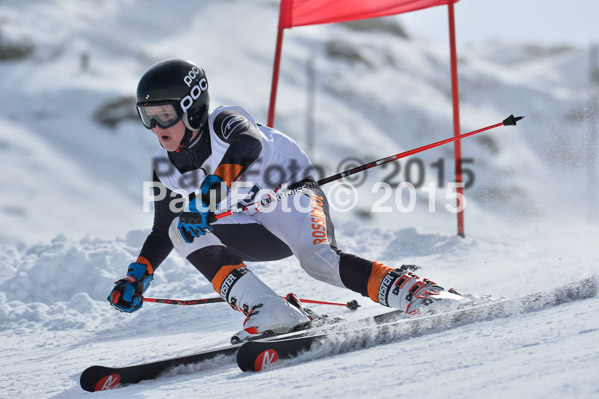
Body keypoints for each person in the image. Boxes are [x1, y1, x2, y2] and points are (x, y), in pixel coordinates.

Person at [108, 58, 467, 341]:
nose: (157, 128)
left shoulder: (224, 122)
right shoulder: (164, 167)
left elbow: (248, 145)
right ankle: (269, 310)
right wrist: (138, 275)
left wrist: (205, 200)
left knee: (319, 262)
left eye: (165, 116)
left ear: (193, 108)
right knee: (177, 229)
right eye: (148, 118)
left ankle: (418, 292)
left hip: (290, 199)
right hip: (247, 226)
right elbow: (161, 229)